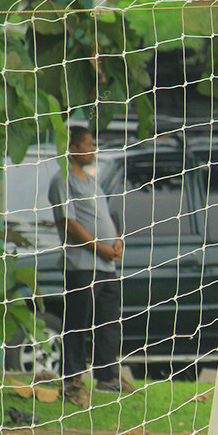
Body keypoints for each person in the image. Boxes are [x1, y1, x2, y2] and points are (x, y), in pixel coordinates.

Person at [49, 126, 137, 407]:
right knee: (77, 323)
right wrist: (101, 248)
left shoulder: (92, 180)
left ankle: (108, 376)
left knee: (109, 321)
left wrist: (117, 241)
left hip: (106, 267)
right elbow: (70, 224)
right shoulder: (63, 180)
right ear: (73, 149)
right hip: (82, 266)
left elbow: (104, 217)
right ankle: (72, 379)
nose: (93, 149)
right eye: (88, 144)